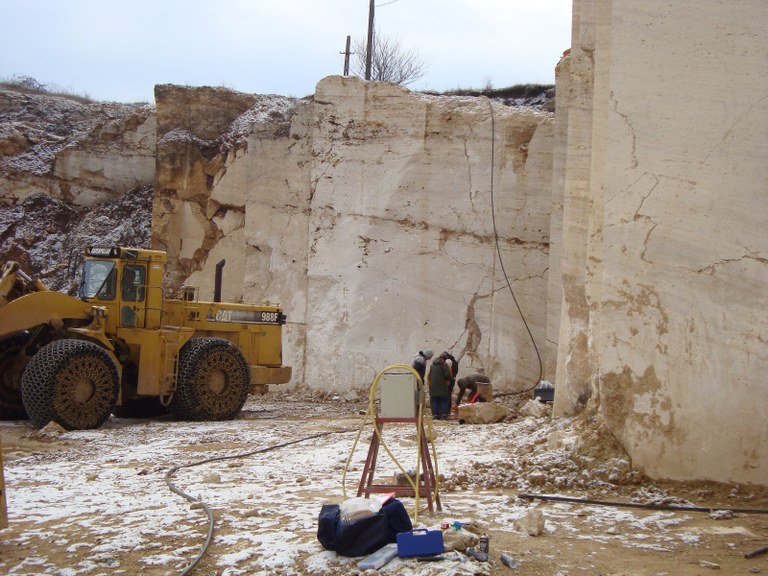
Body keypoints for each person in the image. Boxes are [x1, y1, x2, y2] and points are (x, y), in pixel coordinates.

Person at [428, 352, 452, 420]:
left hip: (433, 386)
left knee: (435, 399)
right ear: (445, 358)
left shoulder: (432, 365)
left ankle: (435, 414)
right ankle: (444, 414)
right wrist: (451, 379)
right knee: (444, 399)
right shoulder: (444, 365)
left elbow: (429, 375)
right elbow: (447, 375)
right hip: (442, 386)